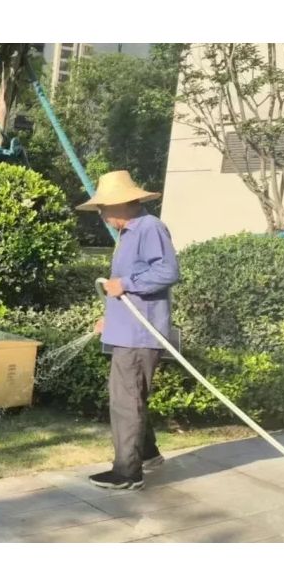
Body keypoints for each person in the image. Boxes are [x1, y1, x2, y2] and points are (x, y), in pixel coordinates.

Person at [79, 170, 181, 490]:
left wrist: (125, 284)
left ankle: (127, 472)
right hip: (128, 329)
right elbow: (126, 291)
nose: (101, 214)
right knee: (131, 398)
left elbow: (166, 271)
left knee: (125, 401)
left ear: (123, 204)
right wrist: (111, 317)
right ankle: (147, 455)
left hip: (139, 336)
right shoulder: (128, 233)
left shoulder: (149, 228)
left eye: (104, 207)